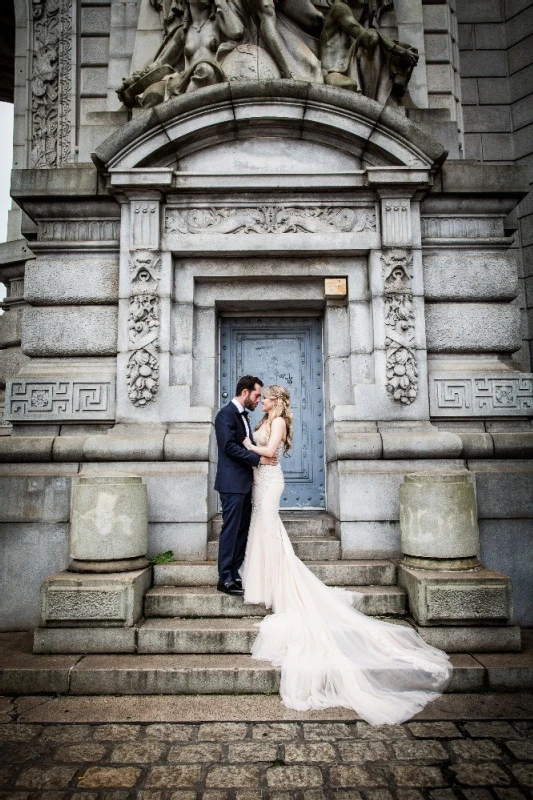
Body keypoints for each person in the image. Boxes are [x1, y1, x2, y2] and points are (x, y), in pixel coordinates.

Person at [241, 384, 452, 725]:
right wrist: (253, 449)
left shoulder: (277, 423)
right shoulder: (265, 419)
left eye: (266, 398)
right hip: (260, 480)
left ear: (277, 402)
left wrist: (250, 446)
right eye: (260, 397)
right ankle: (269, 584)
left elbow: (272, 454)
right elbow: (262, 454)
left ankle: (282, 584)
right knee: (263, 530)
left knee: (269, 528)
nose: (261, 401)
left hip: (270, 480)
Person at [214, 376, 278, 596]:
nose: (258, 400)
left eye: (260, 396)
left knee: (242, 530)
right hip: (231, 483)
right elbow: (229, 447)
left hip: (245, 483)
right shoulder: (225, 415)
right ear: (244, 392)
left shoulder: (244, 417)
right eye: (256, 395)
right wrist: (258, 459)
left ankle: (235, 573)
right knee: (231, 530)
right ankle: (225, 578)